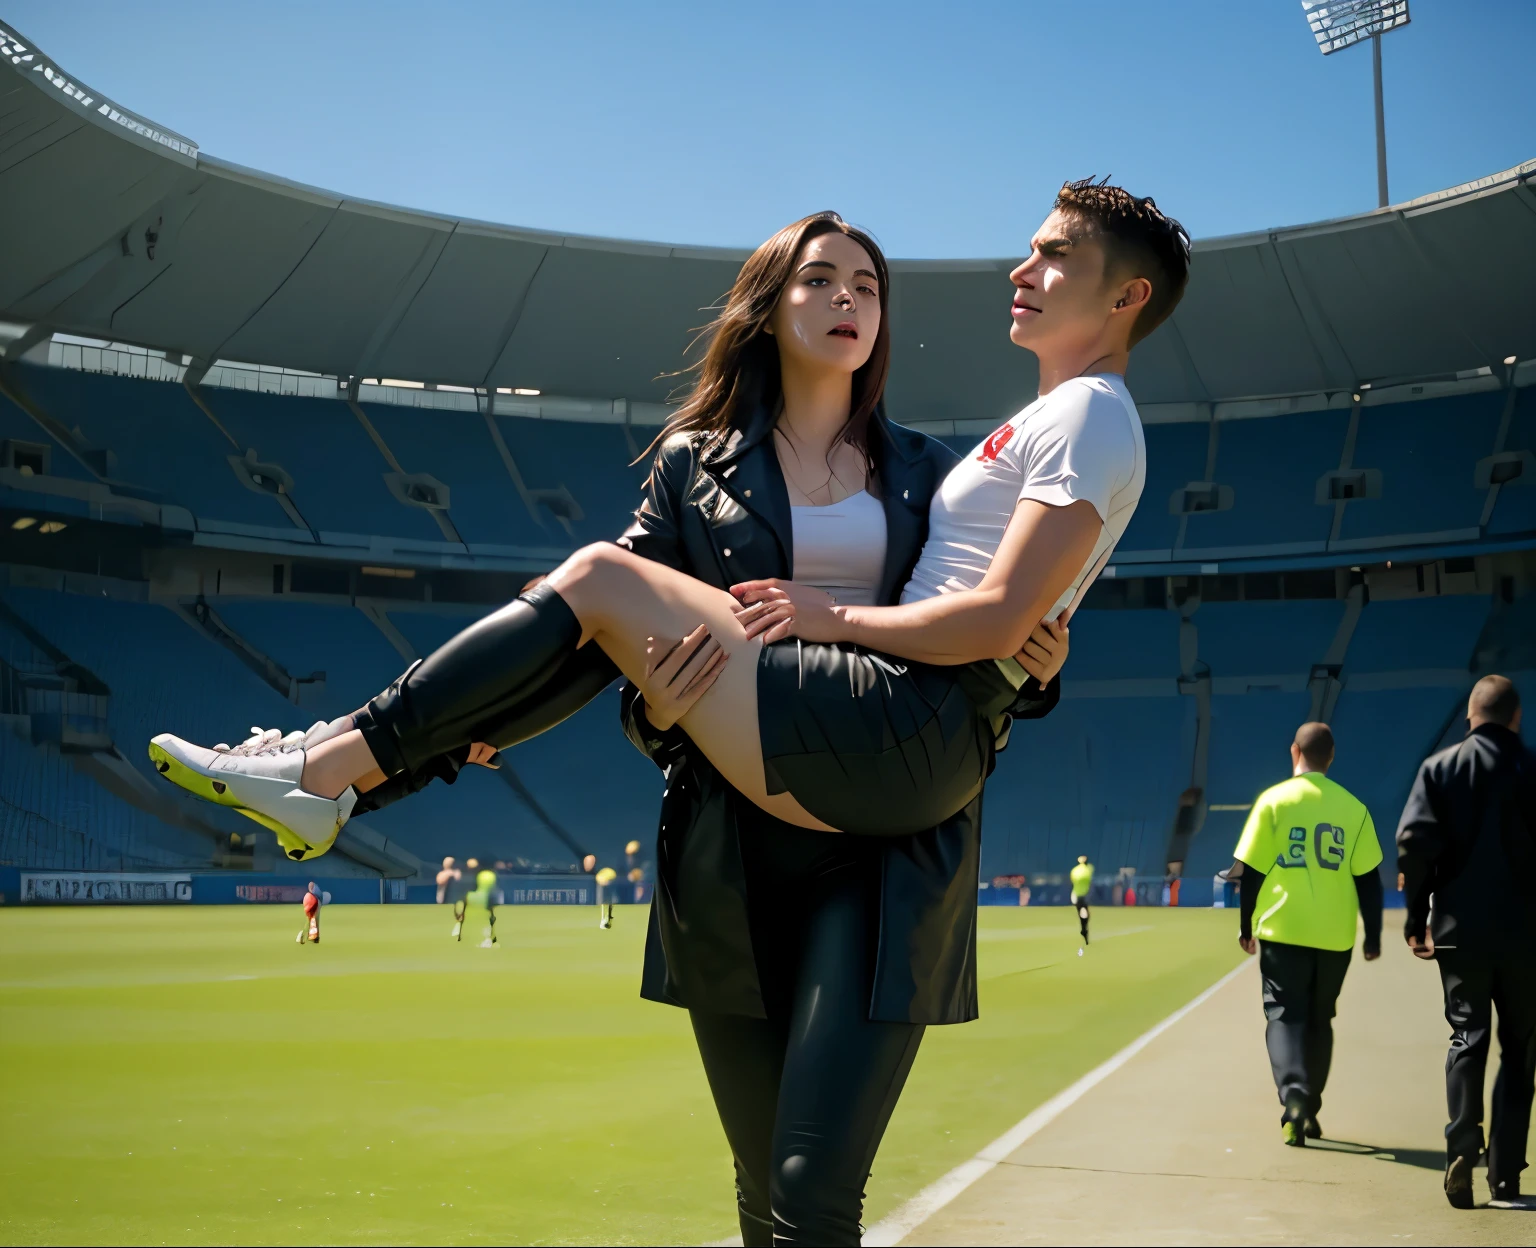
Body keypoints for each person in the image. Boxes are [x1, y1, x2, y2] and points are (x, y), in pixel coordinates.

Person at [150, 183, 1189, 1243]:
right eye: (820, 279)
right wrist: (515, 719)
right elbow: (604, 645)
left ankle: (332, 769)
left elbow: (989, 612)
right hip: (739, 827)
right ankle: (350, 767)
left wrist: (1020, 660)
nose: (849, 299)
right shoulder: (699, 465)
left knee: (813, 1186)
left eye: (868, 285)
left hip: (884, 805)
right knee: (765, 1189)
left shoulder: (937, 465)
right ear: (768, 307)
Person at [1395, 674, 1536, 1210]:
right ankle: (1506, 1173)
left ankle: (1461, 1147)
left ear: (1471, 717)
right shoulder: (1533, 766)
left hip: (1460, 931)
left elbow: (1414, 844)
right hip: (1527, 935)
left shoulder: (1441, 768)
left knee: (1467, 1035)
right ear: (1516, 718)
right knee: (1521, 1050)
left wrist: (1416, 917)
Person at [1234, 722, 1383, 1147]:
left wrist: (1246, 926)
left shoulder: (1274, 801)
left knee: (1283, 1015)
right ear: (1331, 758)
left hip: (1284, 929)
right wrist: (1372, 935)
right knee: (1321, 1019)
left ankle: (1294, 1097)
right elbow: (1369, 879)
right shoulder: (1354, 808)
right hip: (1335, 935)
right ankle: (1310, 1107)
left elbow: (1253, 871)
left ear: (1294, 751)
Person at [462, 865, 500, 947]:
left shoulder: (481, 876)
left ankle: (489, 938)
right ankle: (490, 938)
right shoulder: (490, 875)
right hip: (488, 898)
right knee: (490, 917)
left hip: (484, 899)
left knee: (489, 918)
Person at [450, 857, 478, 940]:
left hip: (470, 897)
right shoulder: (462, 874)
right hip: (463, 896)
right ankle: (458, 927)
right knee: (461, 913)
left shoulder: (475, 875)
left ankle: (464, 929)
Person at [1069, 855, 1094, 949]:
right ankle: (1084, 931)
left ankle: (1084, 930)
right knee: (1084, 914)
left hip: (1075, 895)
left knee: (1082, 913)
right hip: (1082, 896)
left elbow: (1072, 880)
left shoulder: (1075, 870)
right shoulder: (1088, 869)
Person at [296, 880, 322, 944]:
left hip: (315, 903)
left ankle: (315, 937)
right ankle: (302, 937)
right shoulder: (313, 893)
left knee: (314, 921)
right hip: (314, 904)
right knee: (311, 921)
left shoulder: (311, 894)